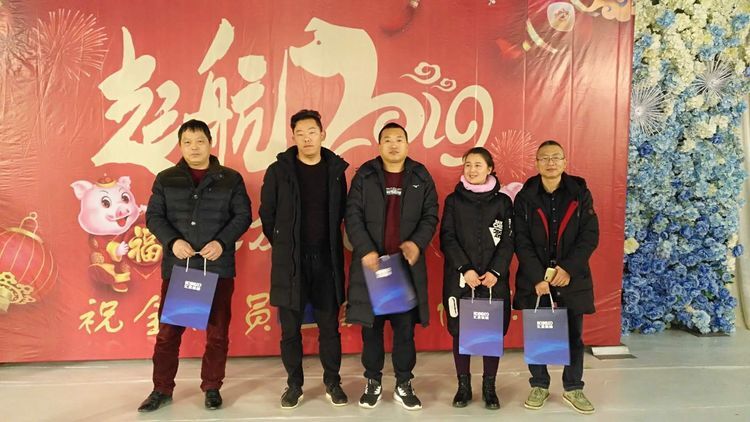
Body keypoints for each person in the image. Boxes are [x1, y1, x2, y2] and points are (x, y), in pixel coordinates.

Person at [138, 119, 252, 412]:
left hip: (217, 267)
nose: (194, 147)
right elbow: (154, 217)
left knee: (217, 333)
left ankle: (212, 387)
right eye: (187, 142)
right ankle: (161, 389)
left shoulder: (230, 178)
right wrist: (173, 241)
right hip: (181, 266)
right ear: (180, 146)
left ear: (210, 143)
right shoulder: (166, 178)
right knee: (168, 334)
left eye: (200, 141)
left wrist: (222, 242)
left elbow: (242, 215)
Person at [345, 122, 438, 411]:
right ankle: (373, 381)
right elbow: (352, 215)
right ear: (379, 145)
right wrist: (366, 249)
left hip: (404, 269)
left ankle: (403, 383)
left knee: (404, 331)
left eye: (399, 139)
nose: (394, 144)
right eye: (387, 139)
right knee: (371, 330)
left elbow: (431, 215)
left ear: (407, 144)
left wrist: (417, 243)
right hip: (372, 268)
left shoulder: (420, 175)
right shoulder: (365, 175)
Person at [259, 109, 349, 409]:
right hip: (291, 263)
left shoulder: (335, 170)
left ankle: (332, 382)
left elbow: (342, 212)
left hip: (326, 261)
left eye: (312, 132)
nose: (307, 138)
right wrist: (285, 246)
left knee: (329, 328)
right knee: (290, 330)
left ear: (322, 134)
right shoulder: (279, 171)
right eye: (300, 133)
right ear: (293, 137)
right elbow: (267, 213)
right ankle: (294, 384)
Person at [513, 140, 599, 415]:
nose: (550, 163)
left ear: (564, 162)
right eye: (544, 158)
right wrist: (537, 277)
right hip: (535, 279)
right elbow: (520, 240)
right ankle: (539, 384)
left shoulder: (580, 193)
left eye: (556, 157)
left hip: (571, 278)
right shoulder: (525, 197)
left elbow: (589, 235)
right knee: (538, 333)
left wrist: (568, 269)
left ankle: (573, 387)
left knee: (573, 335)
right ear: (536, 163)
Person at [440, 147, 513, 410]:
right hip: (461, 279)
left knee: (491, 333)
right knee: (460, 331)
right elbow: (447, 237)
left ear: (490, 168)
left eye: (478, 165)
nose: (472, 170)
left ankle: (489, 388)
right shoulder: (453, 200)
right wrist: (466, 269)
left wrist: (495, 272)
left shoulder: (503, 202)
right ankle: (464, 387)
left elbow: (509, 240)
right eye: (468, 165)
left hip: (494, 280)